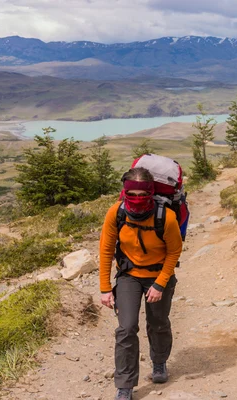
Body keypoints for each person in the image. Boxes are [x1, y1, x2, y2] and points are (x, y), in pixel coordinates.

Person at [99, 167, 183, 400]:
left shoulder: (166, 216)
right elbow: (106, 251)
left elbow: (174, 251)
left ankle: (159, 362)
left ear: (151, 193)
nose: (136, 199)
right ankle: (125, 384)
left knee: (158, 322)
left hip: (158, 275)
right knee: (126, 328)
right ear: (124, 192)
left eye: (142, 195)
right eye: (131, 194)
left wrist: (160, 284)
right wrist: (105, 289)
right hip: (128, 276)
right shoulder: (116, 213)